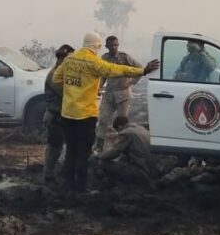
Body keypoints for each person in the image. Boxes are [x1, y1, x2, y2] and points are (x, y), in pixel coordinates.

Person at [52, 31, 159, 193]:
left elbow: (56, 79)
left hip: (68, 114)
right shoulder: (94, 62)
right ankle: (80, 188)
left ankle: (67, 185)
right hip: (85, 115)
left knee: (71, 150)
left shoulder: (69, 59)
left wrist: (72, 90)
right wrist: (142, 71)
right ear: (98, 46)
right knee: (83, 152)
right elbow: (116, 69)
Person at [95, 35, 143, 152]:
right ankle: (99, 147)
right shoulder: (104, 58)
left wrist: (131, 82)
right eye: (111, 46)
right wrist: (98, 86)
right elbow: (103, 75)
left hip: (123, 95)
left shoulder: (125, 57)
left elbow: (140, 69)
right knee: (102, 120)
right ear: (106, 46)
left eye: (116, 45)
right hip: (109, 95)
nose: (114, 48)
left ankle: (124, 150)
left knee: (123, 124)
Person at [43, 44, 75, 186]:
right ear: (63, 57)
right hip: (56, 116)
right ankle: (48, 177)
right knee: (55, 148)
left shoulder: (60, 72)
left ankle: (59, 174)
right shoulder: (55, 75)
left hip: (61, 115)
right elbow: (66, 94)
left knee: (61, 147)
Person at [97, 116, 153, 187]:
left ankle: (113, 184)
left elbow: (115, 152)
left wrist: (100, 155)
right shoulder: (141, 128)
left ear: (120, 127)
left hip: (142, 172)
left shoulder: (126, 133)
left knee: (103, 163)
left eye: (117, 131)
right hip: (153, 169)